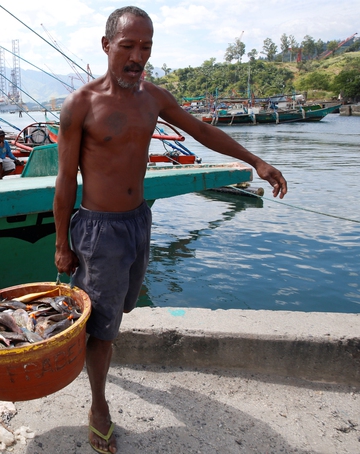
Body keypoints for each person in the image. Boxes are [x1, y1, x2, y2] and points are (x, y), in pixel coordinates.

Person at [53, 7, 287, 454]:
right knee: (102, 329)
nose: (137, 56)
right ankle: (99, 407)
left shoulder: (153, 98)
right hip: (98, 231)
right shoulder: (79, 105)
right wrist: (63, 243)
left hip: (138, 221)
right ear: (106, 47)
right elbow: (65, 181)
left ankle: (102, 368)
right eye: (128, 46)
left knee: (121, 311)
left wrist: (254, 160)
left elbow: (200, 130)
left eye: (146, 47)